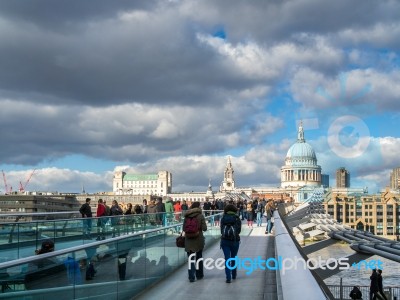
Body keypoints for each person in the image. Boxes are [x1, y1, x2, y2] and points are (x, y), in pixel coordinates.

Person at [184, 201, 207, 282]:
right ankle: (199, 275)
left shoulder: (186, 216)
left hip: (188, 239)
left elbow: (184, 228)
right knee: (199, 257)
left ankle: (191, 276)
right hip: (198, 239)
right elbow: (204, 228)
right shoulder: (200, 216)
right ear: (198, 207)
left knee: (190, 258)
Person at [220, 204, 241, 283]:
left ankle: (228, 277)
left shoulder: (223, 218)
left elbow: (221, 231)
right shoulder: (237, 218)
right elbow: (239, 231)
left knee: (227, 258)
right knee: (233, 257)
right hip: (235, 241)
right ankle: (234, 274)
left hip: (225, 241)